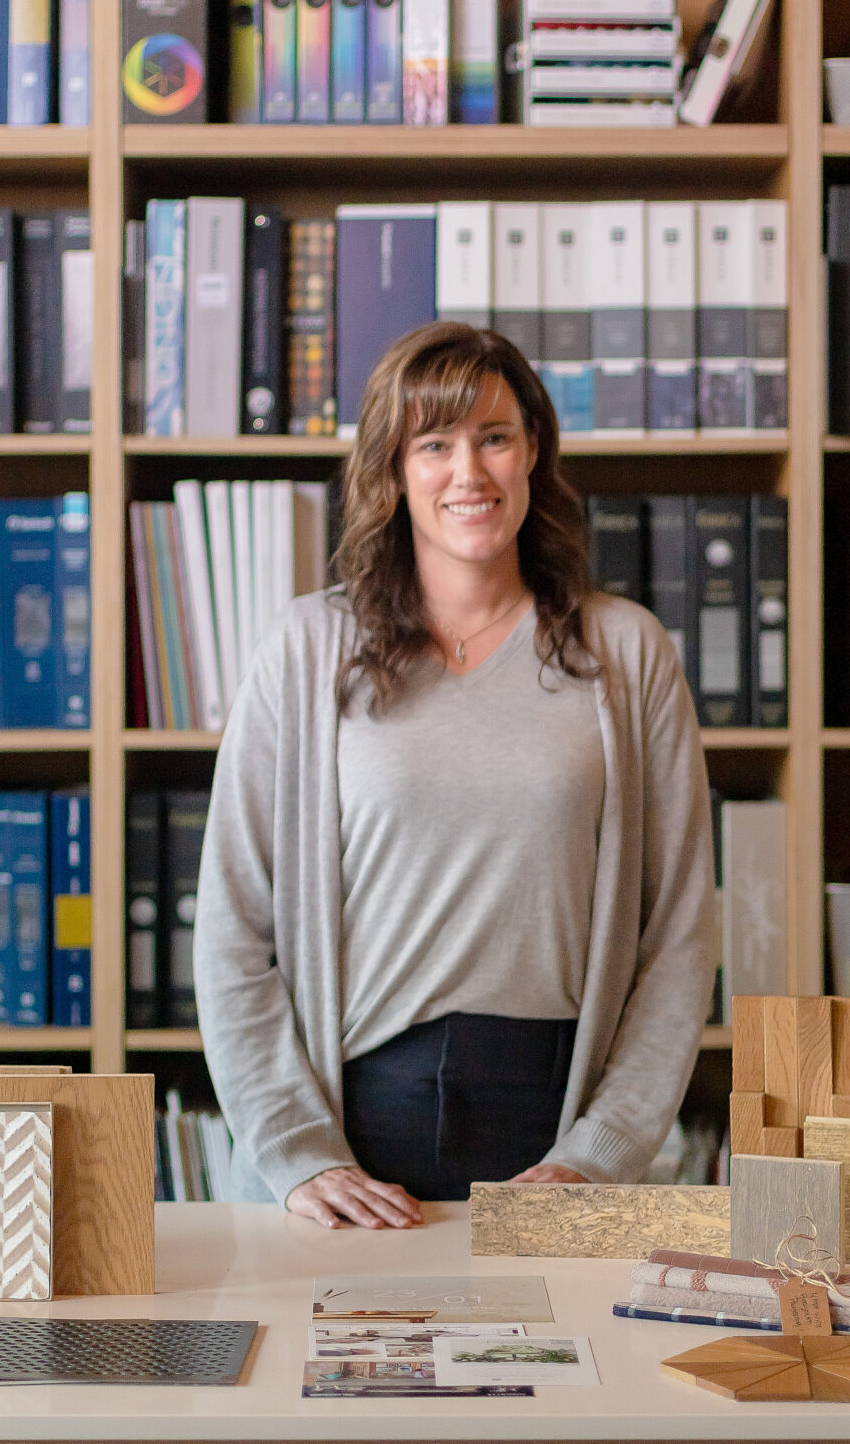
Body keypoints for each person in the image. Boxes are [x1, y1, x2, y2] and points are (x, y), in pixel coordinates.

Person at [195, 321, 717, 1229]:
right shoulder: (306, 651)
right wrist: (295, 1148)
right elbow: (232, 927)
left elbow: (678, 933)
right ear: (394, 471)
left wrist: (600, 1155)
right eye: (432, 444)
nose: (467, 473)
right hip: (354, 1135)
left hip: (558, 1132)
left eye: (494, 437)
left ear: (533, 454)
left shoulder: (626, 652)